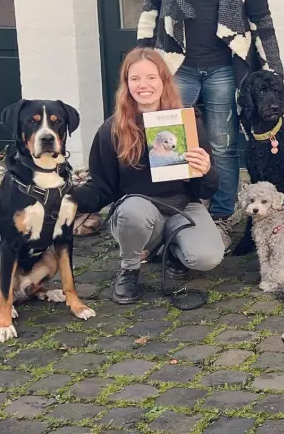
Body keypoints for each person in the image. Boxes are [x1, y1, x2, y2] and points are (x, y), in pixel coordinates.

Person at [135, 0, 282, 245]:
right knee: (169, 141)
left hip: (223, 67)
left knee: (222, 144)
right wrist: (141, 57)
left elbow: (261, 19)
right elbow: (151, 7)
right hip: (176, 65)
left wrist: (274, 70)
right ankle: (172, 214)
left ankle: (222, 217)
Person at [73, 49, 225, 305]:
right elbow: (101, 188)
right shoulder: (111, 129)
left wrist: (207, 170)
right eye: (135, 79)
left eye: (151, 77)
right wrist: (65, 196)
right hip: (137, 212)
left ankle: (172, 251)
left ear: (164, 81)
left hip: (182, 207)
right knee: (134, 209)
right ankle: (130, 268)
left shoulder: (187, 122)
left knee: (207, 257)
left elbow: (206, 191)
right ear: (126, 84)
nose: (143, 85)